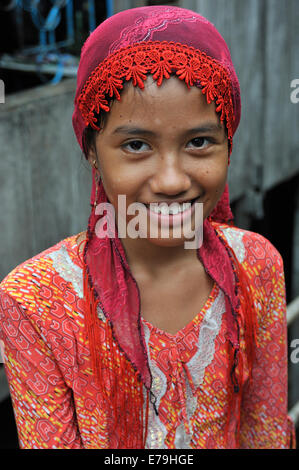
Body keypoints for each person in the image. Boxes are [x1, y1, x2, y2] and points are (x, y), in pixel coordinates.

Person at [0, 5, 296, 449]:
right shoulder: (36, 301)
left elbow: (266, 435)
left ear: (228, 147)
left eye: (199, 142)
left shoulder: (257, 266)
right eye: (136, 145)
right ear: (92, 152)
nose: (173, 181)